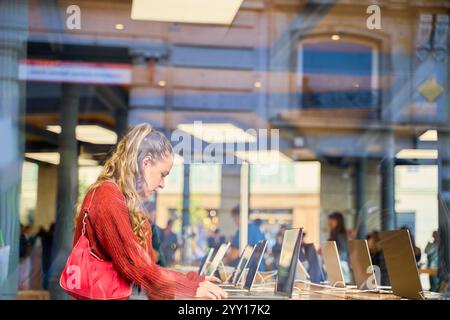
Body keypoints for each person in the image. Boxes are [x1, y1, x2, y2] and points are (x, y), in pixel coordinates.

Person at [72, 123, 226, 299]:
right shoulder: (107, 197)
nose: (162, 184)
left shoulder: (122, 199)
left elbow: (147, 267)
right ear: (146, 163)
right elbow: (135, 265)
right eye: (162, 174)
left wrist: (193, 281)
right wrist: (189, 288)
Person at [327, 212, 352, 283]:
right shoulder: (335, 234)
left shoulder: (340, 235)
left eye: (332, 220)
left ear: (338, 221)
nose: (329, 222)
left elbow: (344, 252)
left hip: (341, 267)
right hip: (338, 266)